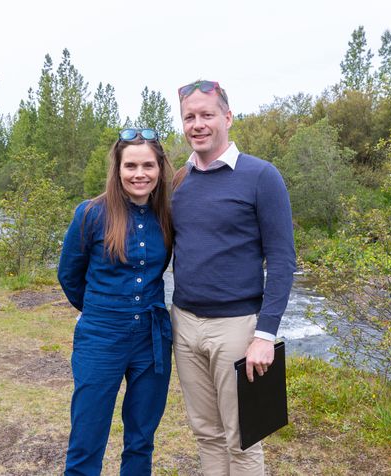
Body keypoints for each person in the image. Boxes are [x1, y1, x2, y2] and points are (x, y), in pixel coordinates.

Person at [171, 80, 296, 475]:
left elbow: (281, 259)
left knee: (243, 439)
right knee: (206, 433)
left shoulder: (261, 176)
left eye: (207, 114)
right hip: (185, 324)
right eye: (190, 116)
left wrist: (264, 334)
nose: (198, 124)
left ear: (227, 117)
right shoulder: (179, 181)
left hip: (237, 330)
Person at [57, 128, 173, 475]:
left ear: (160, 169)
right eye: (131, 166)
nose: (140, 174)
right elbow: (69, 275)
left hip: (152, 339)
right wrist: (98, 311)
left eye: (148, 166)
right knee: (87, 436)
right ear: (118, 169)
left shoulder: (166, 215)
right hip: (100, 338)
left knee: (141, 439)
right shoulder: (91, 213)